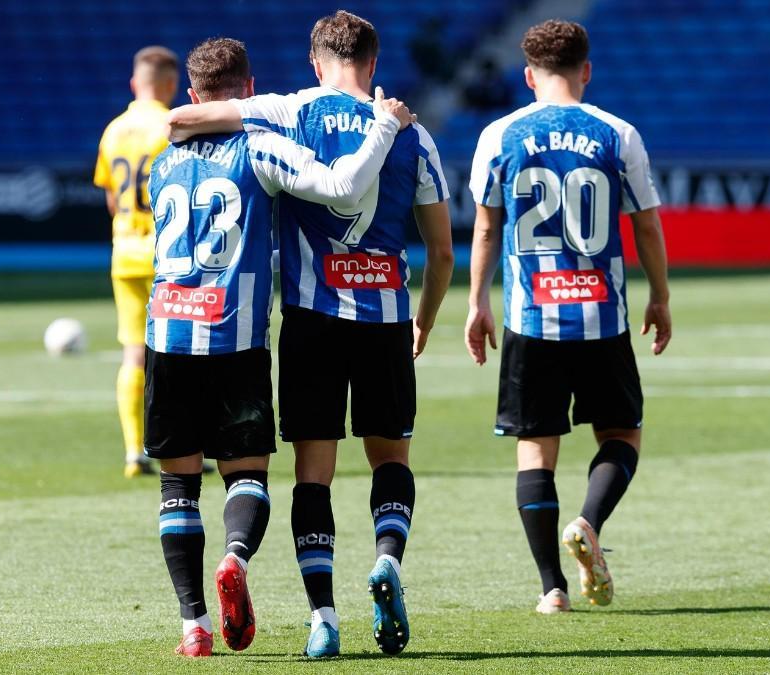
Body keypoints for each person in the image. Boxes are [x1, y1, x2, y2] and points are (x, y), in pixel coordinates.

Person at [165, 9, 454, 658]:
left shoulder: (285, 109)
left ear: (315, 61)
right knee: (391, 459)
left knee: (313, 477)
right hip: (383, 320)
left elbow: (189, 120)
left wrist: (175, 116)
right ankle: (388, 560)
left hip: (310, 319)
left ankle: (323, 615)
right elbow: (441, 253)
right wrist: (425, 318)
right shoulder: (415, 135)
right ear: (373, 64)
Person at [464, 20, 672, 614]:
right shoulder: (617, 133)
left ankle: (552, 589)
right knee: (622, 433)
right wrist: (659, 295)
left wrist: (477, 302)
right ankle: (588, 520)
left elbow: (485, 227)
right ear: (587, 71)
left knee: (536, 450)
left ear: (528, 75)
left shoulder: (498, 135)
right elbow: (647, 223)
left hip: (530, 319)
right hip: (602, 318)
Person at [92, 46, 180, 478]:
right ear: (171, 83)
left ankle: (133, 453)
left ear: (134, 83)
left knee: (134, 355)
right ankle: (182, 447)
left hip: (125, 253)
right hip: (168, 256)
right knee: (180, 354)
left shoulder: (113, 131)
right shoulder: (173, 125)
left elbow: (112, 199)